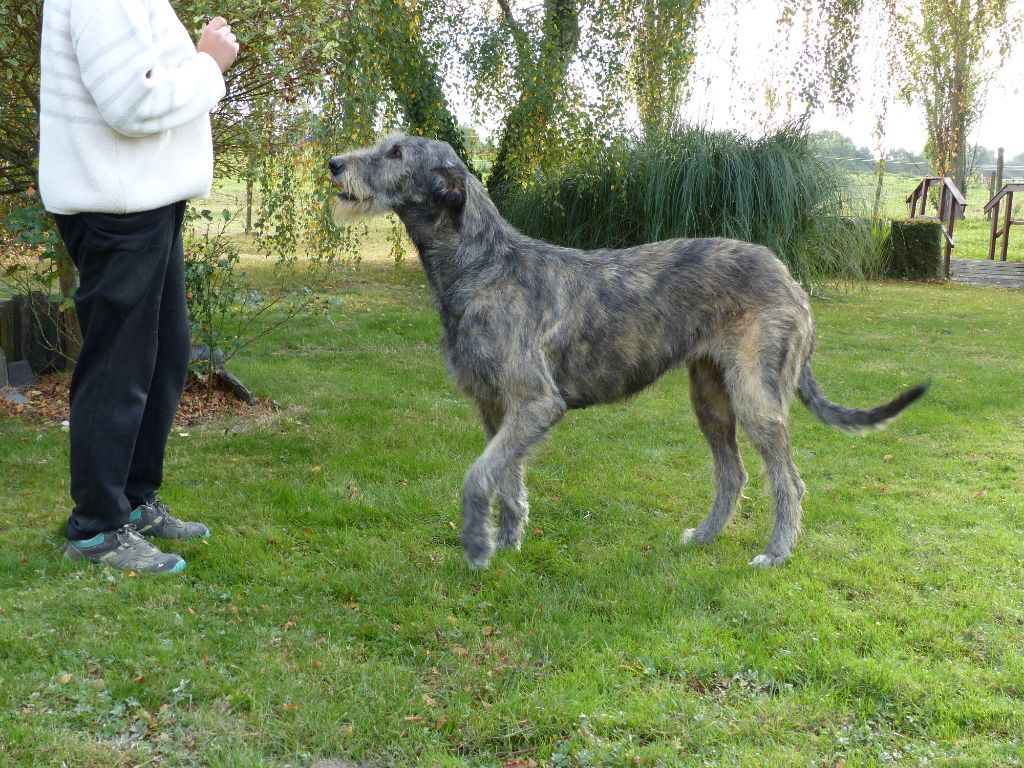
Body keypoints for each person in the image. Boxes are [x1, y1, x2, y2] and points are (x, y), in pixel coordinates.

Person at [38, 0, 240, 574]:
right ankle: (96, 528)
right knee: (119, 367)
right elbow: (132, 102)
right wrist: (208, 65)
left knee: (164, 354)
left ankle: (131, 502)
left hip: (143, 198)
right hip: (118, 206)